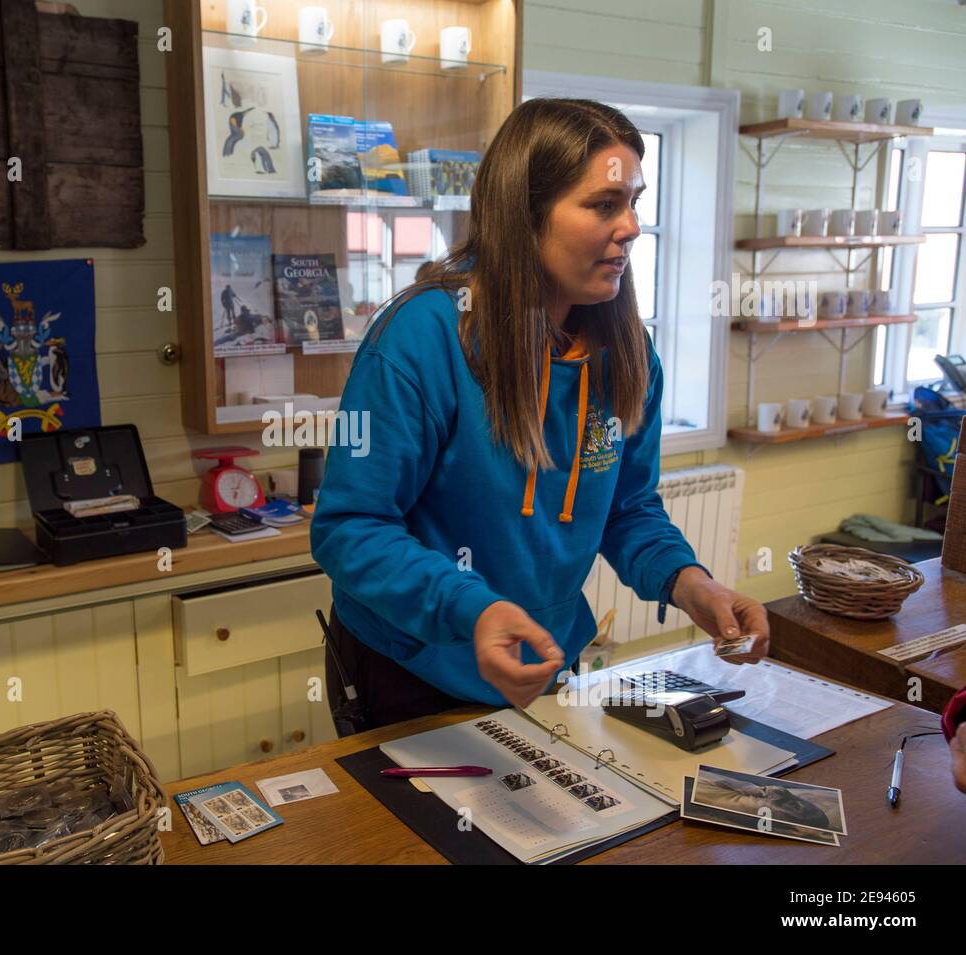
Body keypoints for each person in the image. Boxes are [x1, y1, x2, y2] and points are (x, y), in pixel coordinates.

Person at [310, 98, 770, 736]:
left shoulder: (626, 352)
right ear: (523, 216)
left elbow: (628, 509)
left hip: (545, 659)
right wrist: (471, 609)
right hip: (412, 667)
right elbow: (350, 528)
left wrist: (691, 585)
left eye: (635, 201)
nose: (632, 226)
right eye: (604, 205)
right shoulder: (421, 339)